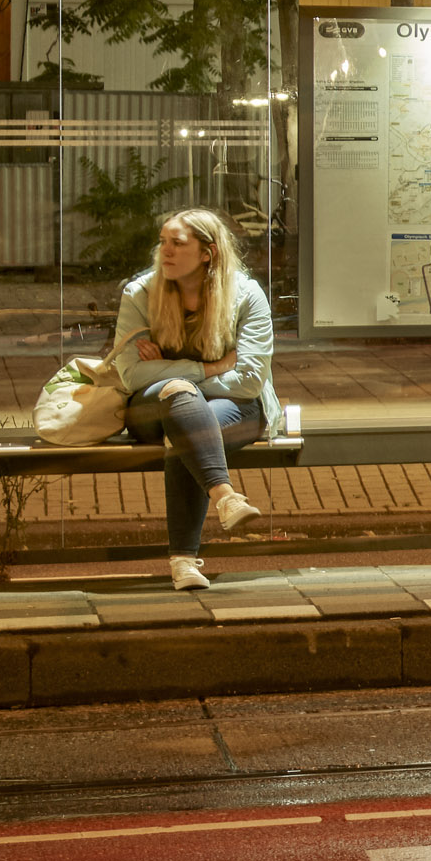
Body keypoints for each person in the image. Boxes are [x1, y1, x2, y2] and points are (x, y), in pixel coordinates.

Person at [116, 207, 277, 589]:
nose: (165, 251)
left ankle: (184, 564)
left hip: (238, 408)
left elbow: (249, 381)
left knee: (186, 428)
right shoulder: (140, 294)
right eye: (162, 242)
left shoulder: (245, 295)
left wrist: (170, 374)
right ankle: (225, 497)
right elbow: (131, 374)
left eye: (177, 243)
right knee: (182, 407)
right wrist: (208, 369)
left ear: (208, 252)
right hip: (149, 408)